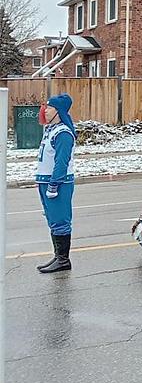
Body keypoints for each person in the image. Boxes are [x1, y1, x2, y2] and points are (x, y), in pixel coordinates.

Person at [34, 93, 77, 273]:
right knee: (53, 220)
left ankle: (63, 260)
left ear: (58, 111)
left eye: (50, 107)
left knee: (60, 220)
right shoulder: (51, 129)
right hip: (45, 181)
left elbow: (61, 162)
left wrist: (54, 184)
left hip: (58, 183)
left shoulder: (63, 133)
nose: (45, 110)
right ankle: (58, 256)